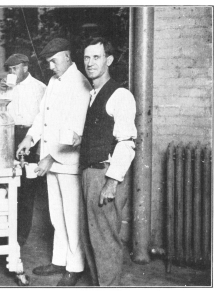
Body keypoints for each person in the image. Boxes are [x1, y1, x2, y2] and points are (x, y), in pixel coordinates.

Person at [16, 38, 92, 286]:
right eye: (48, 61)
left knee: (71, 216)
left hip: (67, 162)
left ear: (68, 57)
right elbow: (42, 116)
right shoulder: (53, 81)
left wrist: (51, 157)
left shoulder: (79, 83)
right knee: (56, 215)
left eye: (53, 60)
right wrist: (30, 137)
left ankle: (75, 265)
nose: (50, 66)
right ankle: (60, 260)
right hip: (49, 159)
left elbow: (77, 129)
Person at [79, 37, 137, 286]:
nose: (90, 63)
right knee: (89, 238)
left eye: (96, 57)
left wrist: (111, 182)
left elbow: (126, 142)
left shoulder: (120, 94)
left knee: (104, 241)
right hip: (88, 174)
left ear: (109, 60)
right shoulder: (93, 94)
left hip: (105, 174)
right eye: (87, 58)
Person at [0, 53, 46, 247]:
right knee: (9, 182)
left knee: (27, 187)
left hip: (30, 137)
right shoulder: (9, 88)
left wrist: (38, 148)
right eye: (10, 70)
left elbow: (43, 120)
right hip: (10, 135)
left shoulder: (40, 88)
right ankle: (6, 229)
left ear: (25, 67)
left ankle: (21, 234)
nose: (12, 73)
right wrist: (3, 93)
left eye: (15, 69)